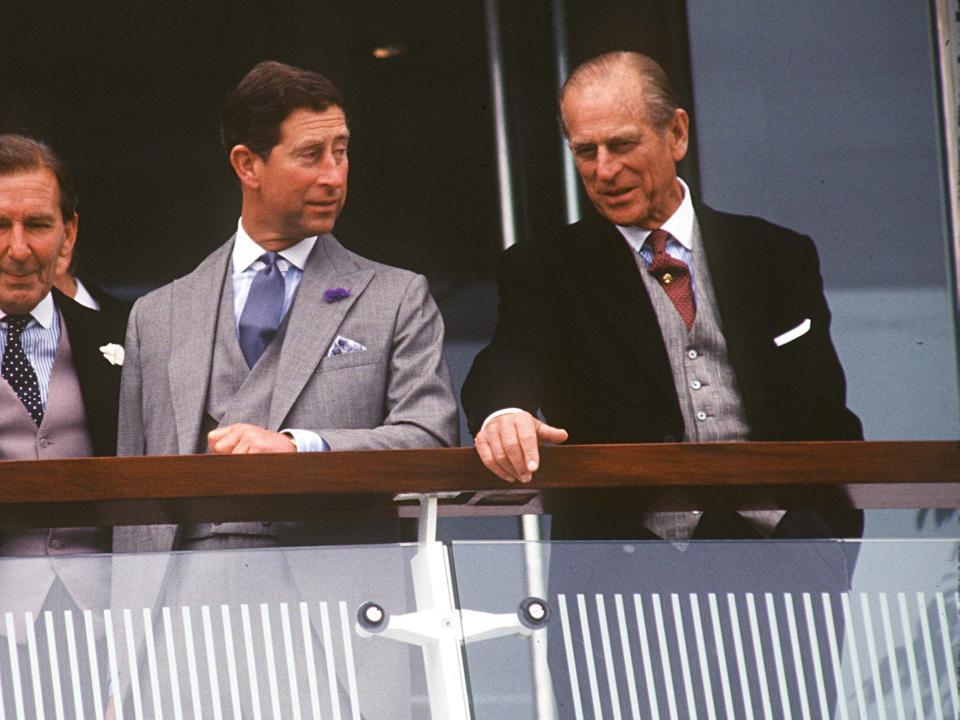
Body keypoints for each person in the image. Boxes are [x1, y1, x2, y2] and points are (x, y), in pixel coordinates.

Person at [461, 51, 863, 541]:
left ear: (676, 133)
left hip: (787, 550)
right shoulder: (545, 267)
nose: (605, 170)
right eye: (586, 151)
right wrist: (506, 412)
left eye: (622, 144)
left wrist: (830, 543)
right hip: (625, 566)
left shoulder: (776, 255)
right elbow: (511, 357)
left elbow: (826, 414)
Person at [115, 60, 459, 552]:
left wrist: (303, 448)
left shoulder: (398, 297)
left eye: (341, 152)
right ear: (247, 165)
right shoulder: (155, 315)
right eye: (311, 155)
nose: (333, 177)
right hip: (181, 608)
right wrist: (132, 621)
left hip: (336, 604)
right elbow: (134, 493)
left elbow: (431, 439)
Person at [0, 133, 127, 717]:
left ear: (69, 235)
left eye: (38, 225)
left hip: (104, 631)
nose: (18, 248)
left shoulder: (129, 336)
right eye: (0, 225)